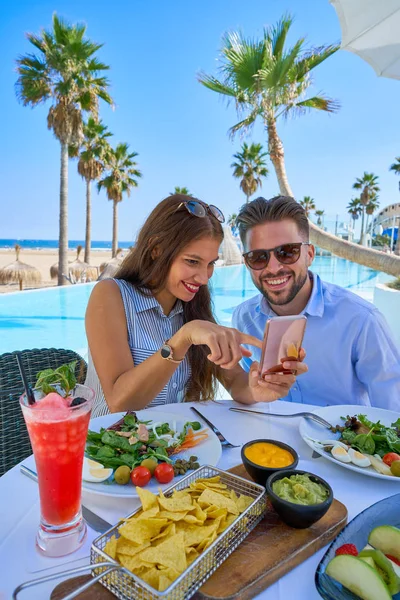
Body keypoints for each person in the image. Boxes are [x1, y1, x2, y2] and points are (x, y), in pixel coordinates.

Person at [85, 195, 307, 416]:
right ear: (156, 249)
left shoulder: (193, 310)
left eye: (210, 264)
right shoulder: (111, 295)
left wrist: (258, 389)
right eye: (192, 262)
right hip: (104, 445)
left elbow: (236, 382)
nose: (203, 278)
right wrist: (182, 339)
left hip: (165, 446)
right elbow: (119, 402)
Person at [233, 195, 400, 410]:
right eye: (258, 257)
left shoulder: (361, 321)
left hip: (342, 441)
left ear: (309, 254)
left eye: (287, 252)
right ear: (247, 263)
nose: (273, 268)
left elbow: (393, 412)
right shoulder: (244, 318)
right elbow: (250, 394)